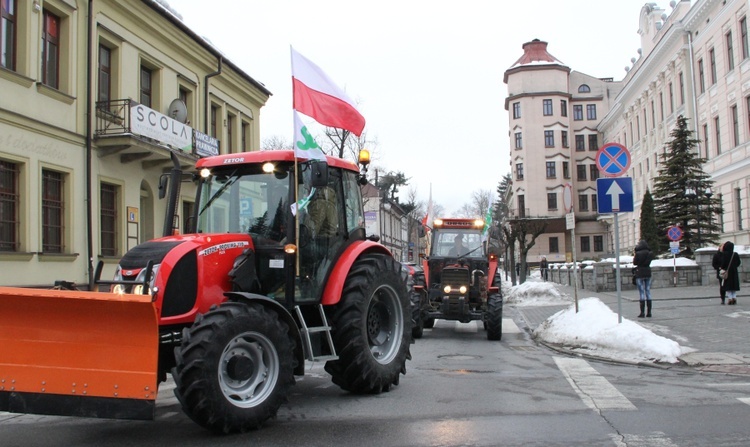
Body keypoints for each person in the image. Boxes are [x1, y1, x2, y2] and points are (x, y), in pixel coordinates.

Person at [633, 239, 655, 318]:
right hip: (647, 272)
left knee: (642, 292)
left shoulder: (638, 253)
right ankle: (649, 313)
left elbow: (635, 263)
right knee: (648, 291)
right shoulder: (650, 253)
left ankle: (642, 313)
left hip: (640, 272)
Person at [720, 241, 741, 305]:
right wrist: (734, 266)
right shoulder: (735, 254)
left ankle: (730, 298)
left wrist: (722, 267)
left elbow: (723, 263)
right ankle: (734, 297)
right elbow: (738, 262)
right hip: (734, 272)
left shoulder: (724, 254)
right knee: (733, 286)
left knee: (728, 286)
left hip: (727, 272)